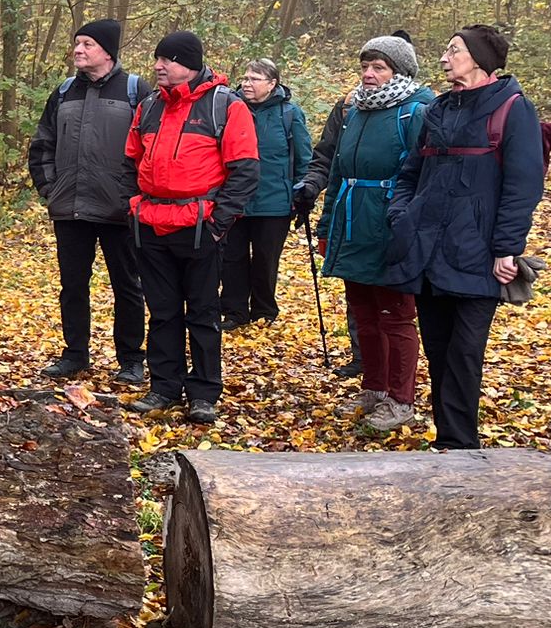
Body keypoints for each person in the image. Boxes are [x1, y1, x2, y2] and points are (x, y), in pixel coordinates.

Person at [386, 25, 545, 451]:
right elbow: (410, 173)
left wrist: (506, 248)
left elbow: (524, 185)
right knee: (438, 350)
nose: (444, 58)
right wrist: (401, 216)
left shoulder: (513, 108)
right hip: (426, 250)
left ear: (479, 59)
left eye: (453, 50)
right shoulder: (437, 109)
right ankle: (447, 444)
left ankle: (460, 447)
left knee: (465, 352)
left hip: (477, 254)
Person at [293, 37, 434, 432]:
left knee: (395, 315)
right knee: (363, 313)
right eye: (365, 67)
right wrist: (327, 228)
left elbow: (424, 178)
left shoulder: (417, 111)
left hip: (390, 226)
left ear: (399, 72)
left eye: (379, 67)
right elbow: (338, 171)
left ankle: (401, 399)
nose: (369, 74)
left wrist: (408, 229)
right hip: (353, 223)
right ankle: (374, 388)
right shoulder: (354, 110)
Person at [124, 31, 258, 425]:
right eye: (158, 59)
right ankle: (164, 386)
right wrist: (133, 208)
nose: (158, 66)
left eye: (167, 60)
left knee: (202, 312)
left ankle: (203, 393)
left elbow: (245, 170)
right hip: (151, 226)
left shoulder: (226, 106)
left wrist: (217, 223)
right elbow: (129, 162)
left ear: (189, 64)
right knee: (162, 312)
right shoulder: (149, 106)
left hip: (200, 227)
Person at [28, 20, 148, 384]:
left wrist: (133, 197)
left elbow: (150, 148)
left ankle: (131, 359)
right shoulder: (64, 92)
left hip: (119, 211)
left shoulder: (135, 90)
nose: (78, 50)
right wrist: (51, 188)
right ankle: (75, 354)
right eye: (77, 43)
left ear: (107, 51)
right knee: (73, 286)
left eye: (87, 44)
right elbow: (42, 144)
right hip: (70, 208)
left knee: (128, 286)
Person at [219, 58, 310, 332]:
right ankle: (234, 311)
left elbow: (303, 159)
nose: (247, 83)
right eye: (246, 78)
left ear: (272, 84)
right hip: (235, 200)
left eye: (254, 79)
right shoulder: (229, 109)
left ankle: (264, 310)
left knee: (265, 259)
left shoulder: (289, 114)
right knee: (231, 258)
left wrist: (301, 195)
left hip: (274, 202)